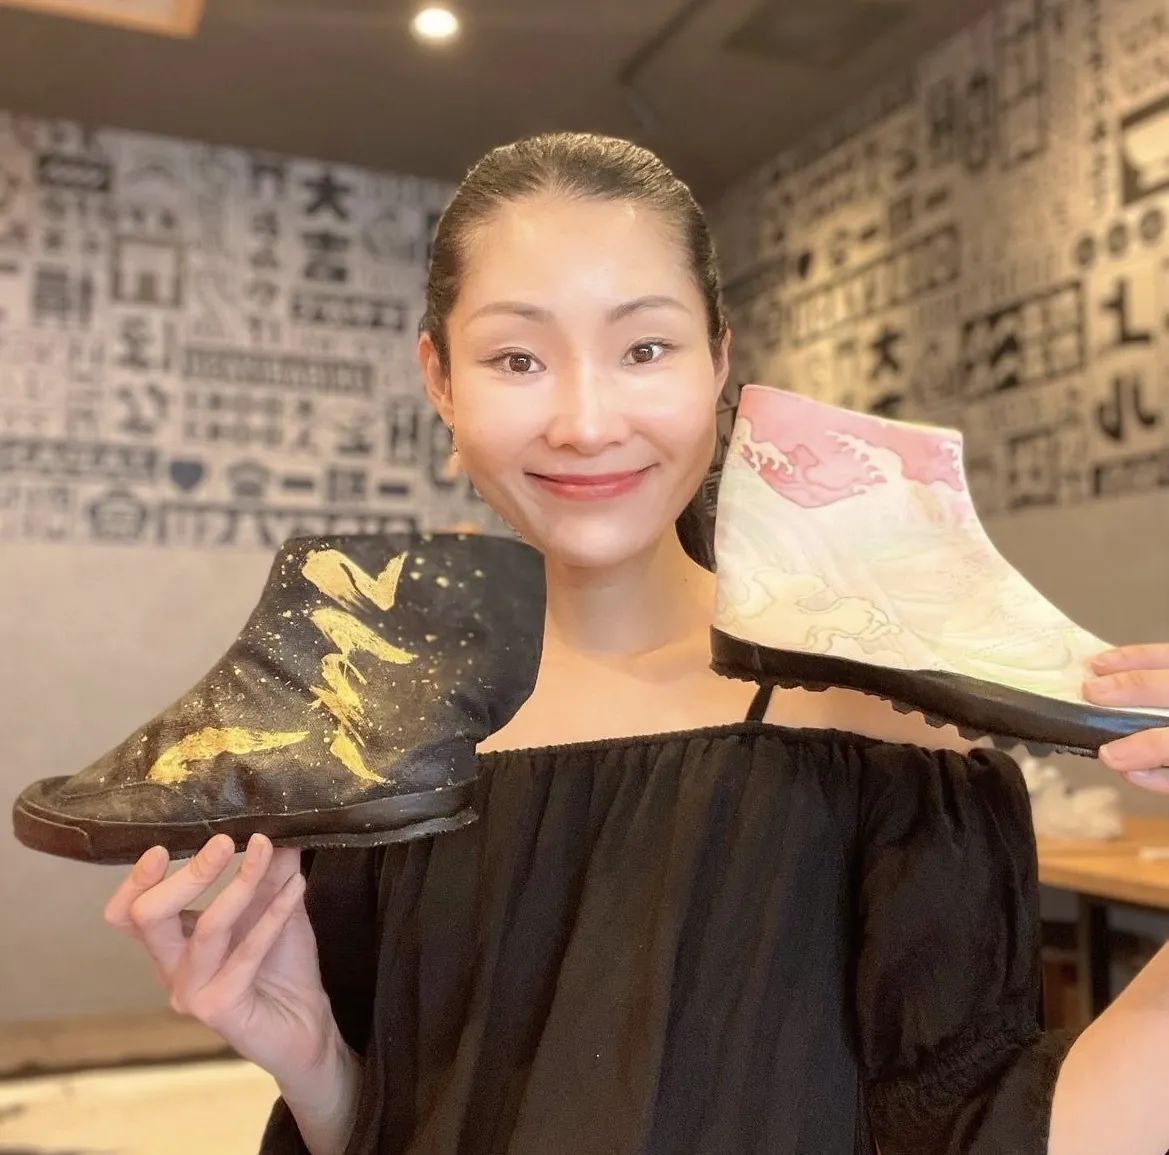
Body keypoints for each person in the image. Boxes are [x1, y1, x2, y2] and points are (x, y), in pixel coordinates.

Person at [103, 133, 1169, 1155]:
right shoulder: (377, 745)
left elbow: (993, 1135)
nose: (584, 421)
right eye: (516, 358)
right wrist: (316, 1064)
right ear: (439, 379)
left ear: (718, 360)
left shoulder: (875, 728)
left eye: (644, 349)